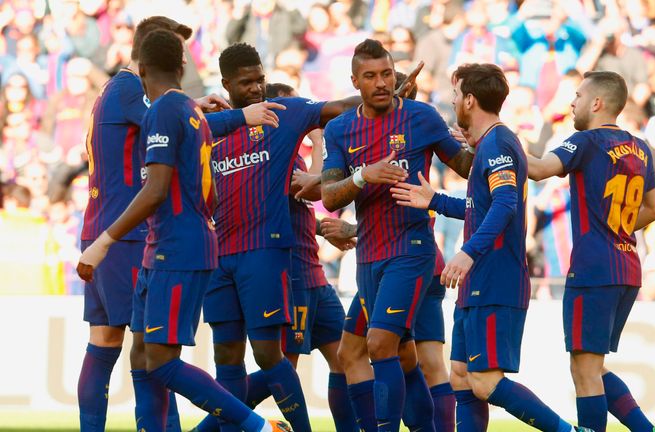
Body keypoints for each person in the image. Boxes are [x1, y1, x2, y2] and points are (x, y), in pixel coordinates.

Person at [195, 43, 419, 432]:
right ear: (226, 84)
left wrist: (385, 91)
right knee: (226, 356)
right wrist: (196, 108)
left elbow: (336, 107)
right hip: (219, 255)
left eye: (260, 80)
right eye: (246, 82)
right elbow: (165, 130)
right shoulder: (211, 128)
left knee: (274, 355)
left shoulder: (286, 115)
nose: (256, 89)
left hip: (266, 254)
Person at [76, 16, 285, 432]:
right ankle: (252, 424)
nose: (180, 56)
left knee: (130, 350)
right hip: (131, 234)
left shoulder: (127, 95)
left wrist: (194, 110)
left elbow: (172, 126)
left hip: (129, 232)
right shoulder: (135, 92)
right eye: (175, 47)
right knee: (147, 353)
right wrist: (239, 118)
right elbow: (173, 135)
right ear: (153, 54)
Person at [390, 62, 591, 432]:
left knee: (484, 381)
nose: (451, 101)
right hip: (478, 279)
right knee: (462, 377)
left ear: (469, 100)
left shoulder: (498, 142)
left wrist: (467, 253)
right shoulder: (488, 144)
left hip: (496, 277)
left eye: (455, 94)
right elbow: (476, 207)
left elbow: (504, 205)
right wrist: (434, 199)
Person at [321, 39, 473, 432]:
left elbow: (467, 167)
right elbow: (330, 195)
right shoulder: (340, 129)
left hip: (412, 250)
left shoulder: (422, 117)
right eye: (370, 76)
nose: (381, 82)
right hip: (369, 255)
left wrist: (486, 137)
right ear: (355, 81)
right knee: (373, 353)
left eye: (387, 73)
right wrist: (362, 175)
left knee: (378, 345)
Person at [526, 70, 655, 432]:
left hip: (594, 269)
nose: (572, 102)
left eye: (577, 95)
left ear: (597, 103)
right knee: (595, 366)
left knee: (584, 370)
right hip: (627, 267)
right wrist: (615, 224)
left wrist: (497, 140)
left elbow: (539, 169)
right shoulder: (641, 147)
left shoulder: (585, 141)